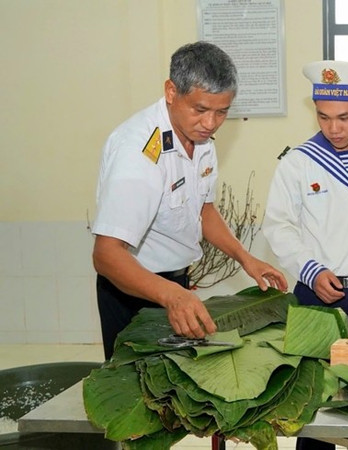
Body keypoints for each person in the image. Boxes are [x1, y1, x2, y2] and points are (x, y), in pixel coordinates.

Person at [91, 41, 288, 360]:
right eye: (200, 110)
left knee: (178, 390)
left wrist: (244, 258)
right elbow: (106, 255)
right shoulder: (139, 153)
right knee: (139, 394)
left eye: (221, 112)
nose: (210, 123)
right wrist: (170, 296)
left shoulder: (200, 139)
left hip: (176, 286)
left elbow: (203, 209)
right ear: (171, 91)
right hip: (135, 293)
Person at [262, 61, 348, 450]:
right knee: (314, 408)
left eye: (344, 117)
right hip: (316, 297)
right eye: (324, 117)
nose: (334, 128)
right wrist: (310, 271)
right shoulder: (297, 162)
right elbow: (278, 225)